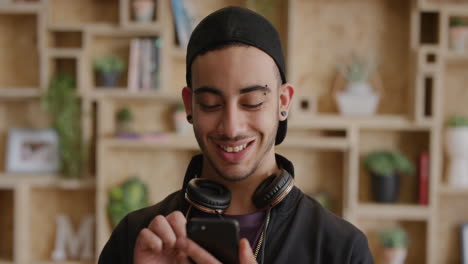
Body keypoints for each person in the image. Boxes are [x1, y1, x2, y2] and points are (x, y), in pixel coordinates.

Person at [98, 6, 374, 264]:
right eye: (210, 104)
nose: (231, 128)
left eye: (253, 101)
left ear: (284, 102)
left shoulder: (342, 250)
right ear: (189, 105)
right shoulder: (135, 238)